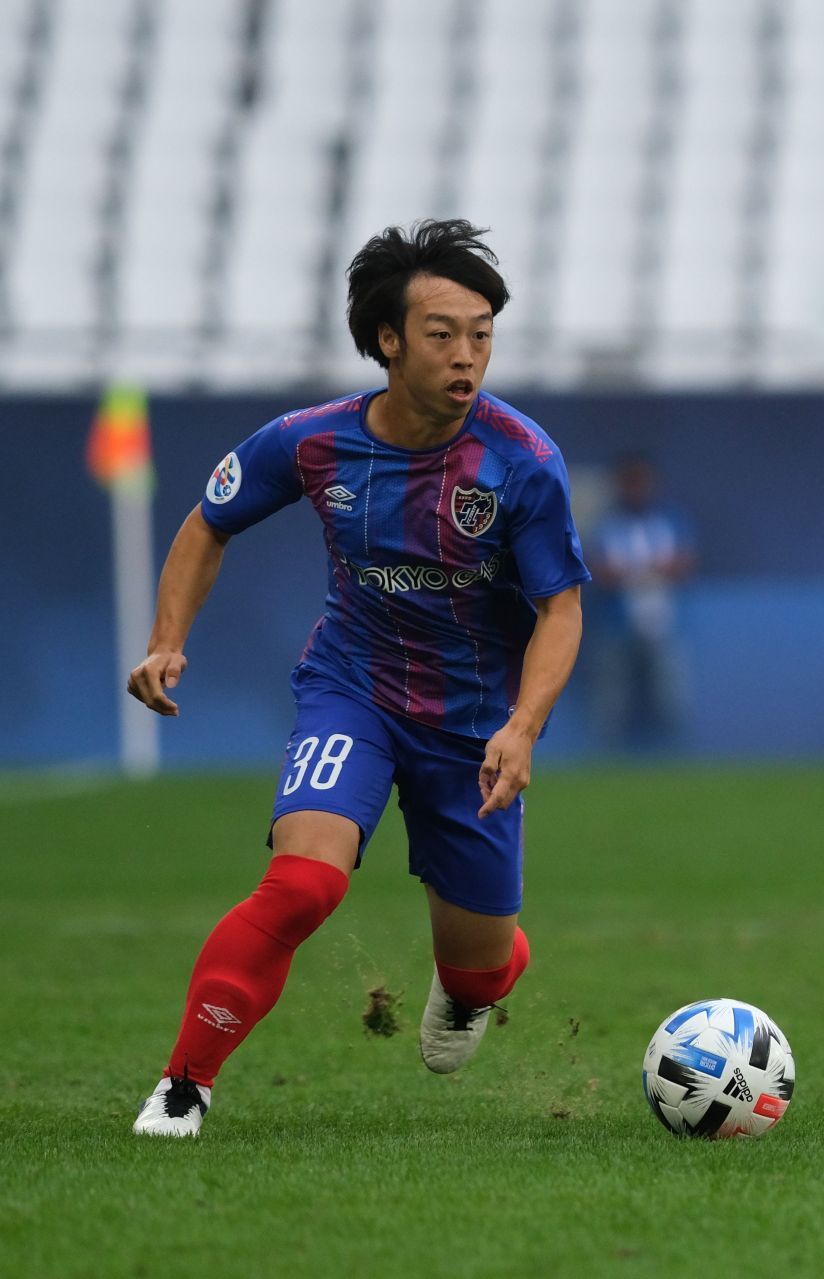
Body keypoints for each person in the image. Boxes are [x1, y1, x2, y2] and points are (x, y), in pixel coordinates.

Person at [126, 220, 590, 1137]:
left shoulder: (523, 462)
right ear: (387, 338)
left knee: (477, 968)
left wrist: (524, 725)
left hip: (474, 727)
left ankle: (477, 982)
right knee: (302, 884)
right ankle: (184, 1085)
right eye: (443, 333)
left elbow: (561, 609)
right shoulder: (311, 442)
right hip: (356, 689)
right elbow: (208, 521)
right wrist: (166, 638)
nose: (468, 356)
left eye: (483, 334)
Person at [587, 455, 695, 752]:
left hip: (664, 624)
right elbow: (599, 571)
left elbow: (684, 564)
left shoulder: (670, 519)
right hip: (616, 625)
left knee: (670, 697)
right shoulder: (607, 523)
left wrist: (635, 570)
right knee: (611, 699)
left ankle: (677, 757)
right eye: (630, 482)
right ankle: (605, 759)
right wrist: (648, 569)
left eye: (642, 482)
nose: (637, 489)